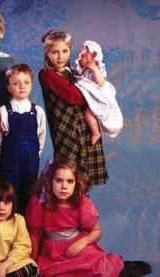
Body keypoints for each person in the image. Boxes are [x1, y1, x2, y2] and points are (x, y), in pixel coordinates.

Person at [26, 158, 152, 277]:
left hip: (76, 244)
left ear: (76, 183)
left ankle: (125, 271)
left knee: (91, 265)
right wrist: (32, 262)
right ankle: (121, 268)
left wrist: (83, 242)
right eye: (59, 181)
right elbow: (34, 235)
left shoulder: (81, 202)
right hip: (52, 252)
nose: (64, 186)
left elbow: (97, 231)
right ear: (49, 182)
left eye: (70, 181)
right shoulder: (38, 203)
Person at [39, 30, 107, 190]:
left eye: (65, 51)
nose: (60, 56)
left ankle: (80, 211)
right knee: (66, 175)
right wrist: (94, 93)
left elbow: (93, 83)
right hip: (66, 131)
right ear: (47, 53)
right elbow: (73, 96)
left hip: (83, 130)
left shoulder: (73, 73)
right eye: (55, 52)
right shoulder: (48, 75)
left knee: (81, 180)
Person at [0, 64, 46, 214]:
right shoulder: (4, 111)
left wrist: (34, 155)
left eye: (26, 82)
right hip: (9, 163)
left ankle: (25, 231)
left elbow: (41, 138)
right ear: (9, 87)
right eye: (16, 83)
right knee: (10, 194)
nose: (21, 86)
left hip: (31, 162)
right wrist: (0, 157)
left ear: (31, 85)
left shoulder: (37, 111)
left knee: (29, 195)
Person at [75, 40, 123, 145]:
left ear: (93, 57)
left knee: (88, 113)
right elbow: (79, 78)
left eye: (83, 56)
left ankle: (95, 132)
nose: (80, 58)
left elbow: (101, 83)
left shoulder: (98, 70)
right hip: (92, 98)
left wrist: (95, 70)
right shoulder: (84, 70)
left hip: (100, 100)